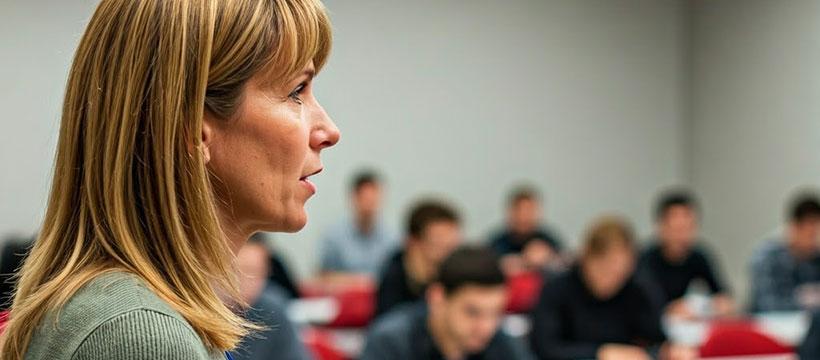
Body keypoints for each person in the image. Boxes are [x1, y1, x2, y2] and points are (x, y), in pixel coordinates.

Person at [0, 1, 340, 359]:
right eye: (296, 91)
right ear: (193, 128)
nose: (329, 131)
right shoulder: (141, 335)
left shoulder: (121, 312)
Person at [530, 216, 694, 360]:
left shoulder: (636, 290)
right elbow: (545, 347)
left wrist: (670, 350)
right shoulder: (557, 289)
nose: (611, 280)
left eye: (620, 273)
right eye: (604, 269)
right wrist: (599, 353)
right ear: (587, 258)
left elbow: (656, 338)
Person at [361, 247, 534, 360]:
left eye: (495, 313)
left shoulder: (502, 342)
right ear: (437, 298)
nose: (486, 327)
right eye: (472, 312)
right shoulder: (390, 341)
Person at [637, 190, 734, 319]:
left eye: (688, 228)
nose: (682, 236)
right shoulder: (644, 259)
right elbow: (644, 303)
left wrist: (709, 307)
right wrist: (669, 309)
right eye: (677, 229)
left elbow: (725, 298)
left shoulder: (698, 256)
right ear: (661, 227)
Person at [375, 200, 462, 317]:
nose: (448, 250)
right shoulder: (393, 277)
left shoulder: (456, 274)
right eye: (439, 241)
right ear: (413, 242)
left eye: (452, 243)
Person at [230, 240, 310, 360]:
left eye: (256, 272)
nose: (248, 281)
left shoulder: (274, 308)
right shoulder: (210, 308)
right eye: (241, 271)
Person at [318, 171, 399, 281]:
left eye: (373, 200)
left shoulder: (392, 238)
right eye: (365, 200)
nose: (369, 207)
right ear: (354, 199)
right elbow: (324, 277)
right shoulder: (333, 237)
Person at [750, 192, 820, 313]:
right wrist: (804, 300)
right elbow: (768, 305)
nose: (815, 240)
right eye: (811, 234)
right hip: (771, 326)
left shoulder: (815, 257)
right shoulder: (767, 257)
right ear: (794, 227)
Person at [489, 186, 564, 274]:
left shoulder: (549, 241)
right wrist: (523, 261)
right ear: (510, 212)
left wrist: (549, 258)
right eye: (519, 210)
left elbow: (564, 264)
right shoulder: (496, 243)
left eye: (529, 211)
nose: (523, 217)